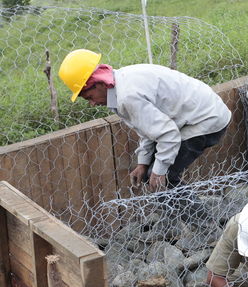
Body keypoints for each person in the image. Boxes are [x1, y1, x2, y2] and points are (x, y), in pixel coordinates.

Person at [58, 49, 232, 191]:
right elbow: (150, 129)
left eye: (90, 96)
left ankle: (205, 227)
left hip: (205, 121)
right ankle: (176, 219)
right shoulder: (120, 84)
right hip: (197, 115)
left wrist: (159, 171)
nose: (93, 103)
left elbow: (168, 134)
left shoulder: (127, 97)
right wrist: (143, 162)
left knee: (163, 180)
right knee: (152, 174)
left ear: (101, 83)